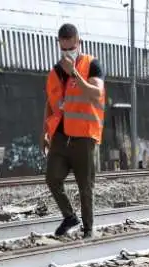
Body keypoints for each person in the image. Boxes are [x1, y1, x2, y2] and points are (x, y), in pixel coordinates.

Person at [42, 23, 106, 238]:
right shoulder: (54, 72)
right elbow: (50, 104)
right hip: (60, 136)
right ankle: (69, 217)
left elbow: (96, 93)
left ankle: (88, 230)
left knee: (85, 186)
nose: (68, 52)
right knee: (52, 178)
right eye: (64, 48)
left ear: (79, 43)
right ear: (59, 45)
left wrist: (75, 74)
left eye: (71, 47)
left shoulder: (91, 65)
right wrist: (44, 131)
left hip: (84, 136)